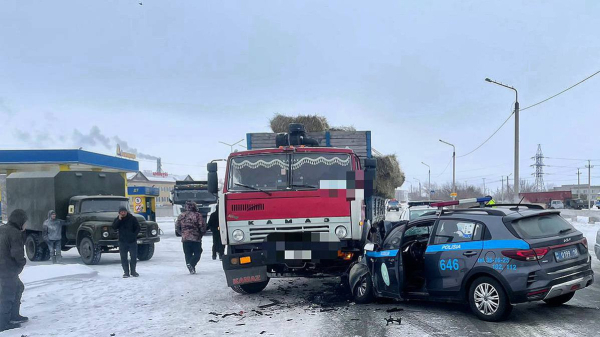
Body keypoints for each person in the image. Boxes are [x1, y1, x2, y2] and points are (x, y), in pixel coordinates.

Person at [0, 209, 29, 332]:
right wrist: (22, 262)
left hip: (4, 267)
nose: (25, 224)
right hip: (7, 268)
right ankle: (3, 323)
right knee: (8, 294)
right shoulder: (15, 233)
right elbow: (16, 253)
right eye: (25, 221)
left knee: (18, 287)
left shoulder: (2, 228)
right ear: (20, 220)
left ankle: (13, 315)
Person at [175, 201, 206, 274]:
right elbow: (202, 226)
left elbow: (177, 226)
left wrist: (182, 233)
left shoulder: (181, 215)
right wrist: (201, 233)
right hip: (195, 238)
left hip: (185, 238)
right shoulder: (197, 215)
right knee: (198, 253)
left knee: (187, 254)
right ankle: (192, 264)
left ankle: (191, 268)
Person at [112, 206, 140, 278]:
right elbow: (114, 227)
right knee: (123, 257)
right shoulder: (118, 219)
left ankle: (133, 271)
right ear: (119, 213)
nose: (123, 213)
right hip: (122, 241)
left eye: (124, 211)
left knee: (133, 257)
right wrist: (119, 220)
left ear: (126, 212)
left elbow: (138, 227)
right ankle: (126, 272)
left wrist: (134, 235)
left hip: (132, 241)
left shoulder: (132, 218)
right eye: (121, 212)